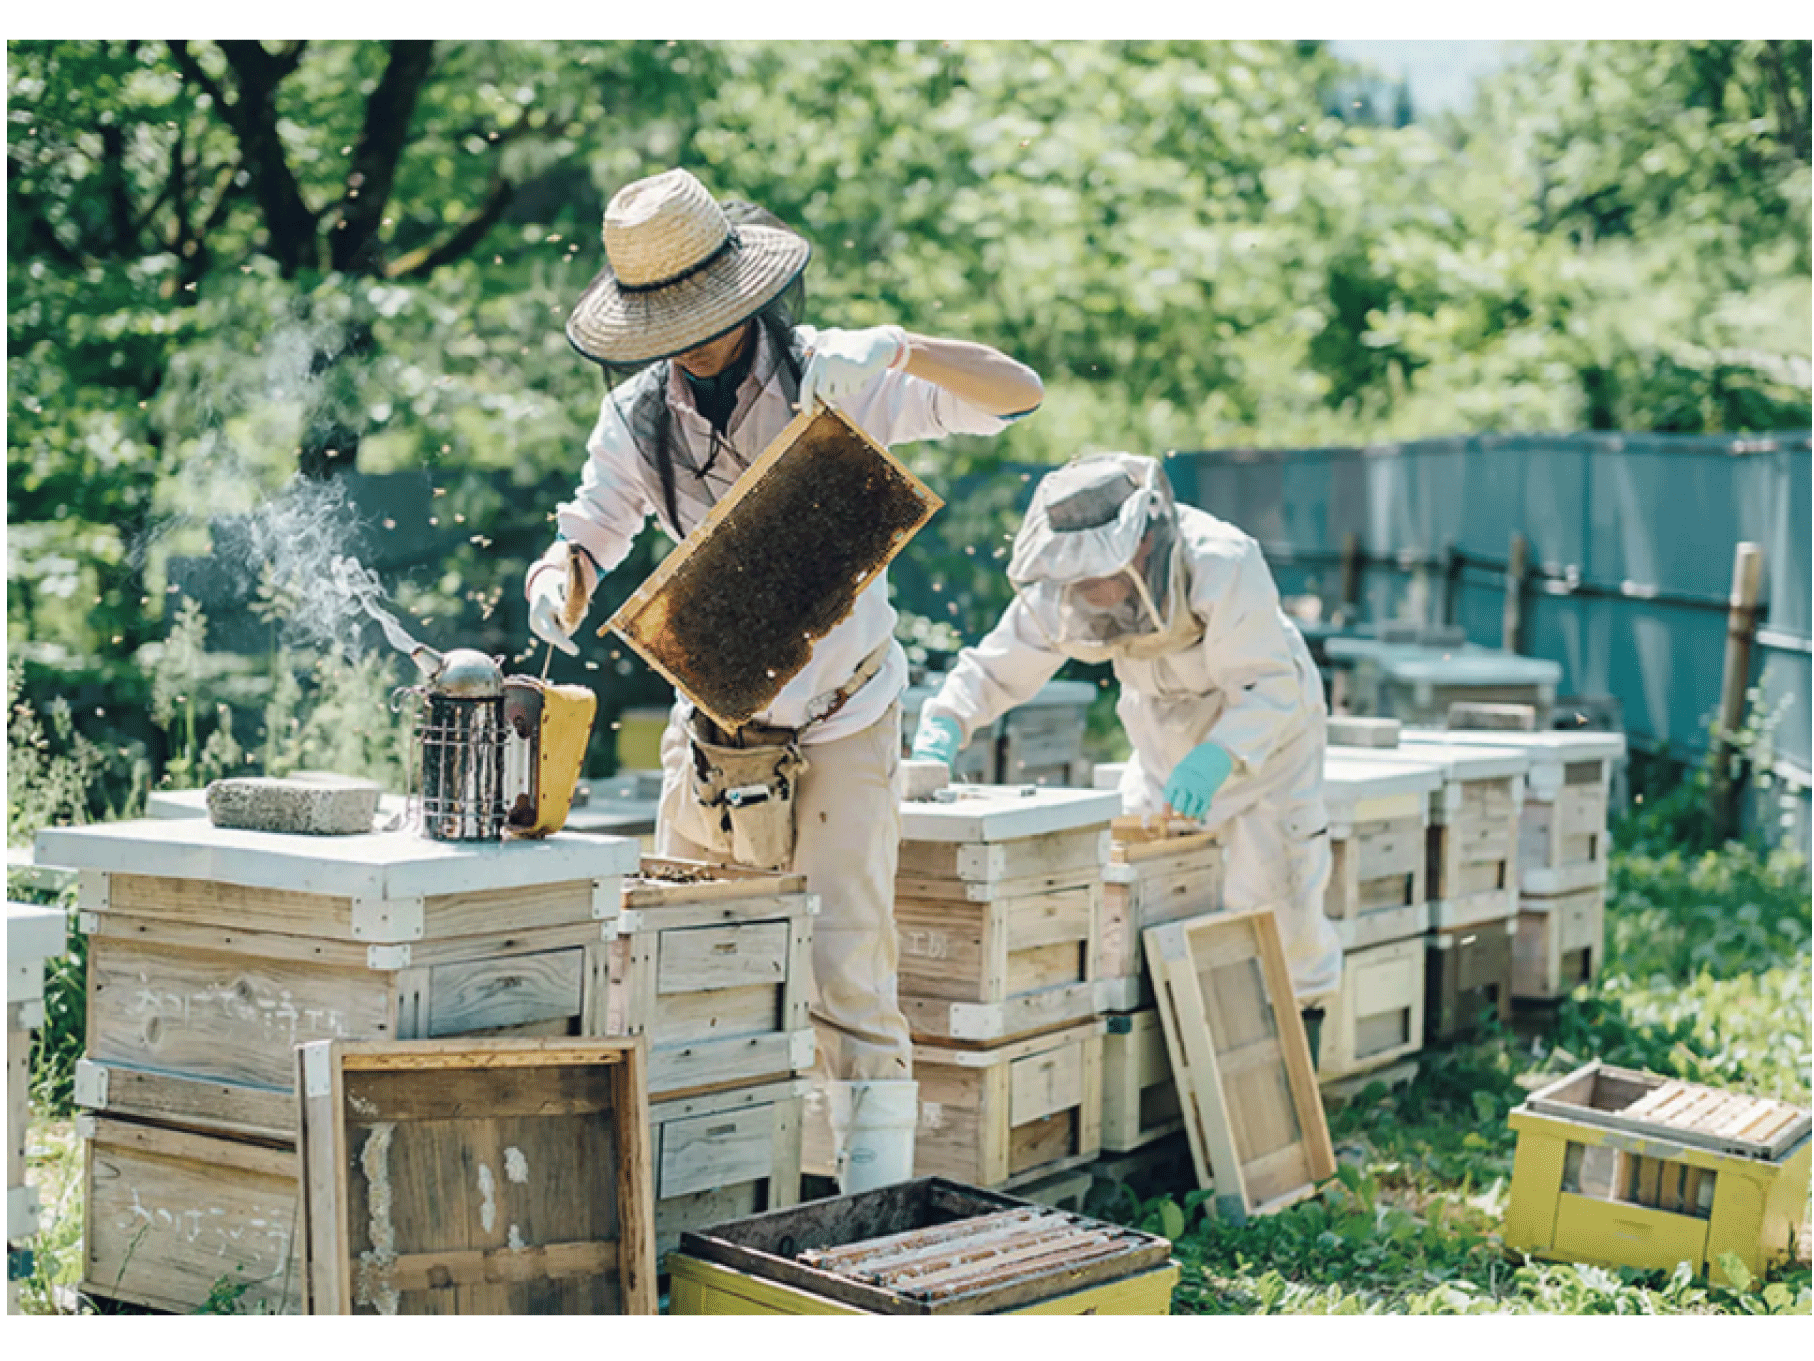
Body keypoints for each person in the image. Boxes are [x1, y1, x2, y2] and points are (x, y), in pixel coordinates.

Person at [524, 167, 1043, 1191]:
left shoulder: (836, 374)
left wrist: (898, 344)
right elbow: (588, 529)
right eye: (663, 320)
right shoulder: (637, 418)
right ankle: (695, 1194)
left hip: (847, 715)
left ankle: (871, 1201)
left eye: (701, 311)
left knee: (850, 964)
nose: (690, 336)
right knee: (677, 957)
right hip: (718, 725)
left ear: (742, 284)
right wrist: (558, 578)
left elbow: (1015, 393)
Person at [910, 452, 1342, 1036]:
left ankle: (1301, 1077)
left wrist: (1218, 755)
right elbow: (996, 667)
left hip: (1266, 745)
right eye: (1078, 576)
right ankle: (1175, 1072)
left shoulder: (1221, 560)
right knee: (1143, 904)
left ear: (1146, 542)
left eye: (1101, 572)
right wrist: (943, 726)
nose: (1090, 588)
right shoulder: (1070, 581)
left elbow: (1267, 686)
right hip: (1161, 744)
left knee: (1278, 904)